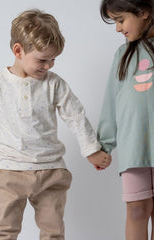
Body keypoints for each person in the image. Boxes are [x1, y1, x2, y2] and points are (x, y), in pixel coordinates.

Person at [0, 9, 111, 240]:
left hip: (51, 170)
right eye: (42, 60)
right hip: (11, 171)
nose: (49, 66)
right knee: (4, 230)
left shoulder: (55, 84)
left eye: (53, 60)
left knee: (53, 231)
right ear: (18, 50)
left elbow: (75, 115)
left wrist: (91, 149)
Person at [98, 0, 154, 239]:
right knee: (136, 208)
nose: (118, 28)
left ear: (143, 12)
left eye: (120, 20)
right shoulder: (122, 54)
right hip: (134, 148)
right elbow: (112, 101)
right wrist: (103, 144)